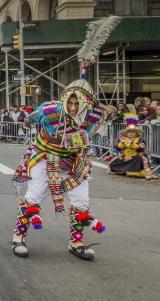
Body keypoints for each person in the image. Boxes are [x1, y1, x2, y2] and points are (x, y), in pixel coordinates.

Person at [10, 80, 108, 260]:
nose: (72, 107)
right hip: (45, 155)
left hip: (74, 159)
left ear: (86, 103)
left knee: (81, 201)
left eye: (77, 104)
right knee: (35, 195)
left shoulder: (93, 115)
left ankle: (76, 242)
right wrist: (29, 121)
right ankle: (18, 237)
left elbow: (85, 133)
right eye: (69, 103)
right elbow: (29, 120)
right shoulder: (49, 110)